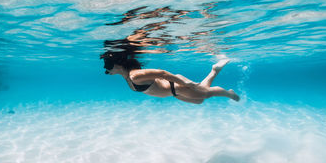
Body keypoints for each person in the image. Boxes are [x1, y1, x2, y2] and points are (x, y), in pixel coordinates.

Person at [102, 54, 240, 104]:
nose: (106, 69)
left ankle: (229, 93)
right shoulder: (127, 76)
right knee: (199, 100)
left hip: (177, 86)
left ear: (118, 65)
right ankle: (215, 70)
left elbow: (161, 73)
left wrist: (185, 82)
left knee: (206, 94)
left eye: (108, 66)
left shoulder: (134, 75)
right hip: (174, 92)